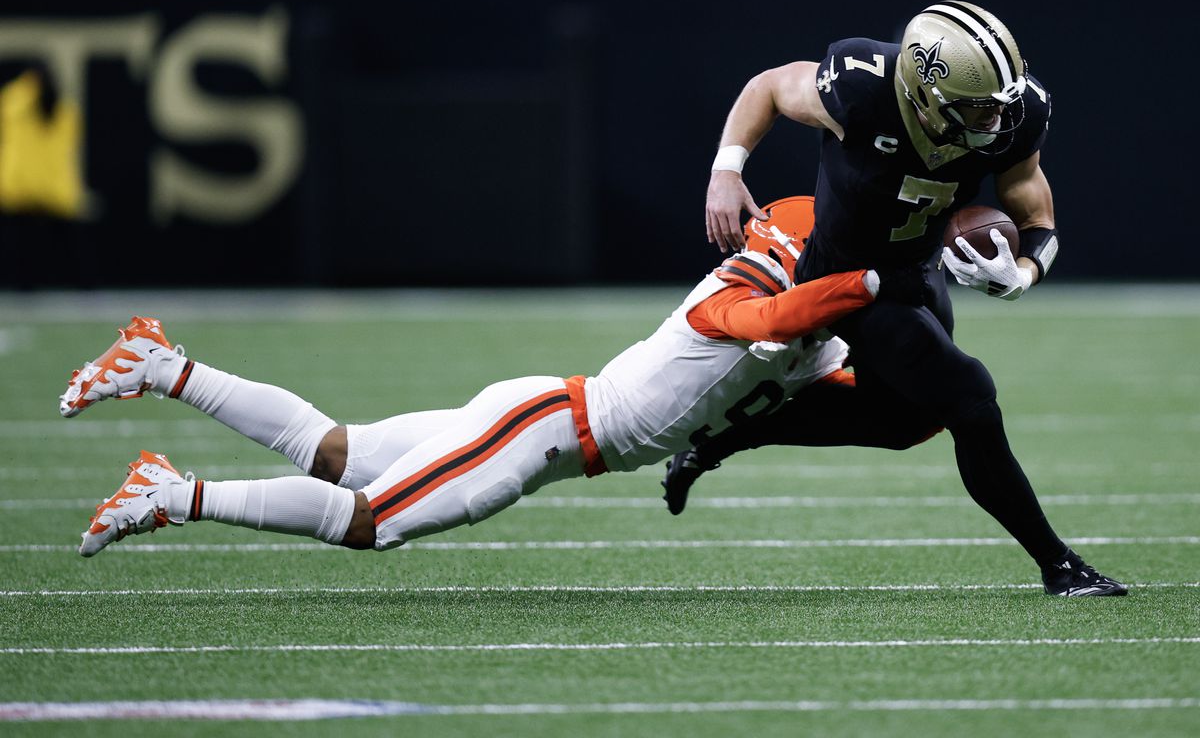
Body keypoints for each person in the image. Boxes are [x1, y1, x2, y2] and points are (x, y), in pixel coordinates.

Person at [60, 198, 926, 558]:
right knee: (368, 523)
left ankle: (160, 363)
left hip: (546, 418)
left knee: (335, 453)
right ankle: (172, 495)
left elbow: (844, 394)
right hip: (546, 427)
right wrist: (879, 281)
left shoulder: (820, 343)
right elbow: (769, 321)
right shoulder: (737, 299)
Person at [682, 0, 1125, 597]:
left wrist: (1020, 275)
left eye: (1001, 103)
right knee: (971, 398)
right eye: (978, 107)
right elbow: (770, 86)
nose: (997, 118)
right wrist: (726, 170)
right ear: (925, 95)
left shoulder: (1016, 111)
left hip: (915, 268)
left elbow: (1034, 211)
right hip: (844, 275)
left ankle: (725, 434)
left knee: (902, 421)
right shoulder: (861, 87)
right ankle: (1059, 566)